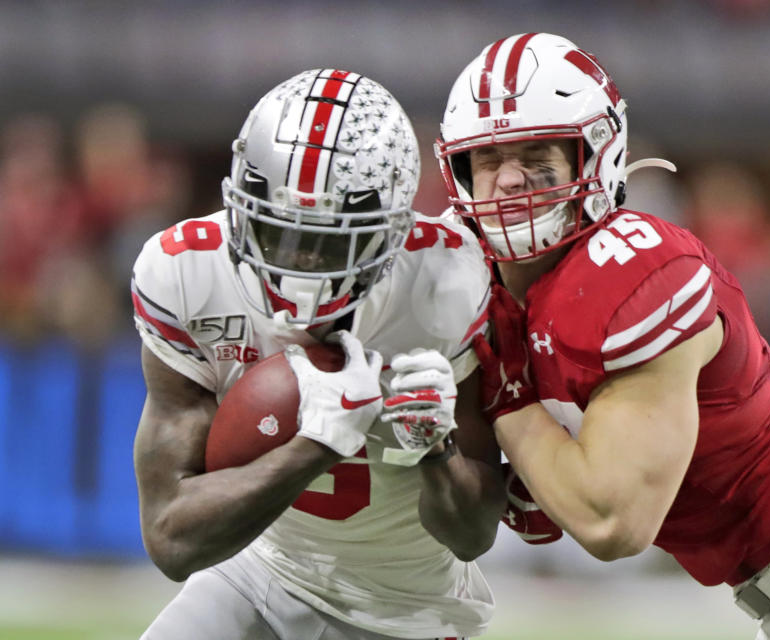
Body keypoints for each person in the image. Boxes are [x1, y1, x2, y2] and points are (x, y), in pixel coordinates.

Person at [433, 33, 770, 639]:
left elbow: (612, 522)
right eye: (488, 158)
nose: (508, 181)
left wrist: (507, 394)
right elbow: (544, 506)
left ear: (595, 155)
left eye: (536, 156)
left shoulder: (633, 270)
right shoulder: (496, 298)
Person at [131, 68, 506, 640]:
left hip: (407, 610)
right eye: (275, 229)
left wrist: (437, 449)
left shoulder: (445, 284)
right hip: (257, 573)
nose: (296, 262)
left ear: (395, 231)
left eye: (328, 240)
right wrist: (318, 444)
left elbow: (473, 536)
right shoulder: (185, 274)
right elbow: (171, 539)